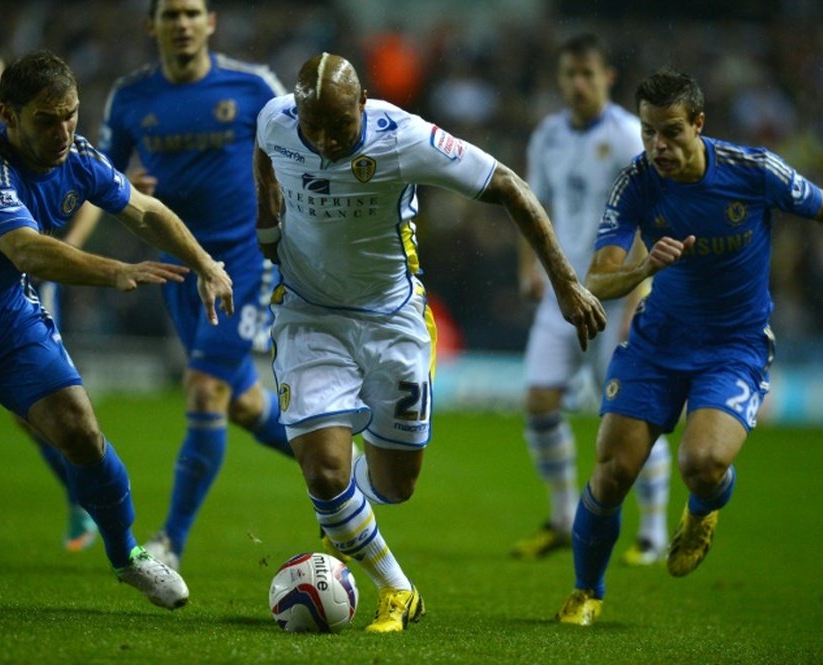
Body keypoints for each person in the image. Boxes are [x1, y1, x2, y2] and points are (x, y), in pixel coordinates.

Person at [255, 52, 606, 633]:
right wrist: (269, 227)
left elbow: (511, 188)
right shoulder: (276, 119)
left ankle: (346, 507)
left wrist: (566, 284)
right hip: (307, 314)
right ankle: (397, 589)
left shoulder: (405, 138)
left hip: (394, 319)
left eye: (338, 127)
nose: (322, 140)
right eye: (311, 126)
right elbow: (263, 155)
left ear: (363, 103)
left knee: (395, 487)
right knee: (322, 472)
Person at [0, 50, 234, 608]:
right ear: (9, 116)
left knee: (81, 431)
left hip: (3, 322)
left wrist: (207, 263)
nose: (63, 130)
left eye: (70, 114)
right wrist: (116, 271)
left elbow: (143, 210)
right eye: (47, 119)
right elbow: (26, 251)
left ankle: (128, 556)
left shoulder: (79, 156)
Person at [556, 67, 823, 626]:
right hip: (657, 342)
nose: (659, 146)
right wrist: (641, 266)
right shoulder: (635, 184)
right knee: (611, 474)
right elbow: (596, 281)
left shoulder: (750, 170)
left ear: (699, 124)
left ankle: (702, 509)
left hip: (735, 344)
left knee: (702, 463)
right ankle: (587, 591)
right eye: (650, 132)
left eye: (672, 132)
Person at [89, 0, 292, 571]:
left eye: (192, 12)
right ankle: (338, 466)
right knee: (245, 405)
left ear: (211, 23)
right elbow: (100, 178)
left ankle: (169, 542)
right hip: (178, 267)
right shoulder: (130, 97)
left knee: (205, 388)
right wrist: (125, 184)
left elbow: (302, 146)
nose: (182, 23)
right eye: (171, 13)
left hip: (248, 261)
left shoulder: (252, 87)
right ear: (151, 25)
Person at [512, 33, 671, 566]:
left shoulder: (630, 137)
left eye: (587, 73)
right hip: (563, 293)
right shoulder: (548, 135)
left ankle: (651, 532)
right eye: (568, 74)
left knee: (632, 414)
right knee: (539, 401)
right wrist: (529, 267)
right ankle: (560, 518)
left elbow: (651, 220)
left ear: (608, 78)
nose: (577, 84)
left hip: (617, 295)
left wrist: (637, 297)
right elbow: (531, 204)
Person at [0, 42, 100, 553]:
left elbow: (93, 188)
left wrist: (67, 249)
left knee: (30, 410)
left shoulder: (42, 139)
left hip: (25, 288)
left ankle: (81, 501)